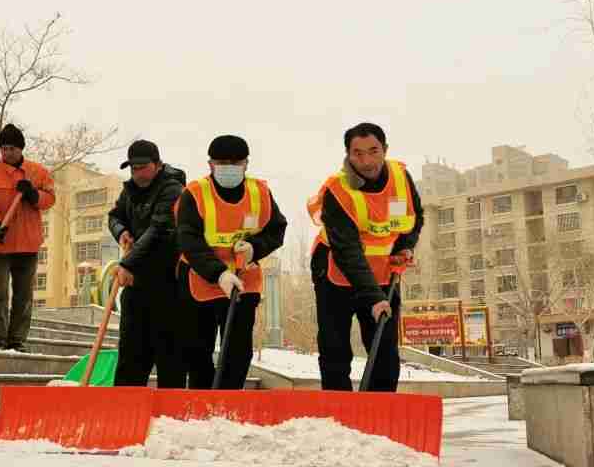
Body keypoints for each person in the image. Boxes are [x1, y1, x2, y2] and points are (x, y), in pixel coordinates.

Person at [308, 122, 424, 391]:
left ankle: (379, 409)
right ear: (348, 155)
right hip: (335, 273)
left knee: (384, 348)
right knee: (335, 348)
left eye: (373, 151)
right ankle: (338, 412)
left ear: (385, 149)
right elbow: (347, 251)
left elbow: (414, 218)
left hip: (383, 271)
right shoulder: (337, 191)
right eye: (357, 153)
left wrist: (404, 247)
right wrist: (374, 298)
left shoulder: (400, 176)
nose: (367, 161)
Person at [175, 135, 287, 389]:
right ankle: (202, 398)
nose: (229, 167)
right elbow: (188, 239)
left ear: (246, 164)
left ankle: (228, 399)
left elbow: (276, 229)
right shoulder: (194, 193)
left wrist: (255, 248)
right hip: (200, 279)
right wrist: (219, 274)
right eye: (222, 162)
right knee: (197, 349)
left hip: (243, 279)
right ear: (210, 164)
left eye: (235, 162)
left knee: (237, 351)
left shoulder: (260, 192)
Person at [107, 140, 187, 387]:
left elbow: (159, 230)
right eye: (133, 168)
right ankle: (123, 411)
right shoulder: (129, 190)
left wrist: (127, 264)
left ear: (158, 165)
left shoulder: (173, 189)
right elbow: (115, 215)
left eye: (143, 167)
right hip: (136, 285)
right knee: (131, 354)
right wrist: (121, 231)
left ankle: (170, 414)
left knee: (169, 356)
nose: (137, 173)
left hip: (168, 285)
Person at [0, 123, 55, 352]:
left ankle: (17, 340)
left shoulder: (38, 172)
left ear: (21, 149)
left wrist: (33, 194)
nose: (7, 153)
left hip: (27, 244)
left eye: (12, 148)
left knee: (23, 296)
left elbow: (50, 199)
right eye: (4, 148)